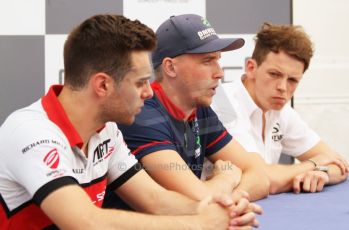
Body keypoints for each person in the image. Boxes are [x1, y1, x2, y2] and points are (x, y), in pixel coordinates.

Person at [0, 14, 260, 229]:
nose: (148, 93)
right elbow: (85, 221)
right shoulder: (31, 132)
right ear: (103, 84)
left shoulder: (107, 131)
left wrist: (217, 211)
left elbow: (154, 200)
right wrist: (201, 223)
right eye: (140, 83)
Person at [114, 14, 270, 203]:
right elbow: (197, 200)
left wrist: (232, 198)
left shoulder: (198, 106)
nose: (219, 72)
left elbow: (259, 175)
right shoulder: (142, 114)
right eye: (207, 61)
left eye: (218, 60)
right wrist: (226, 177)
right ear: (170, 67)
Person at [212, 22, 348, 194]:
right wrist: (313, 164)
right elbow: (262, 178)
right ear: (251, 68)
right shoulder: (222, 104)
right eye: (274, 74)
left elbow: (338, 164)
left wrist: (323, 174)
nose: (283, 87)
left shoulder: (281, 108)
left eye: (292, 80)